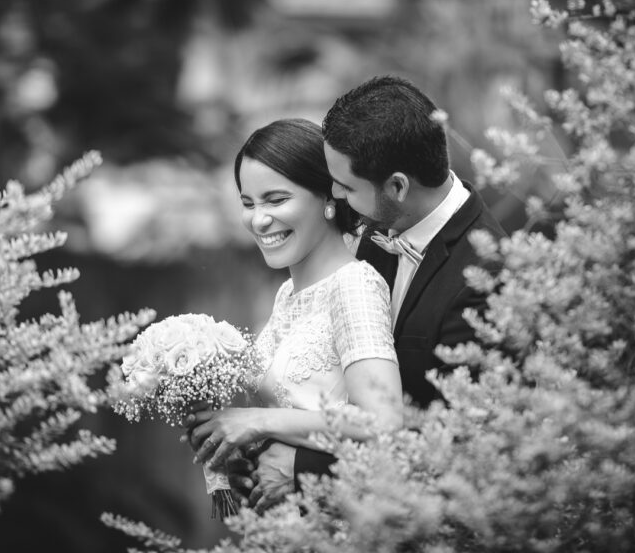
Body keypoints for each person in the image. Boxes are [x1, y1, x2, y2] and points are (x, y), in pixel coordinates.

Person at [236, 75, 507, 508]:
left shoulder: (485, 280)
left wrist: (302, 469)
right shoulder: (375, 230)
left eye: (345, 188)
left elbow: (459, 447)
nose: (336, 196)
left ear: (397, 186)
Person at [183, 118, 404, 493]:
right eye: (248, 203)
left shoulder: (353, 285)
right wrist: (242, 457)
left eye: (276, 199)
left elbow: (382, 423)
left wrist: (256, 422)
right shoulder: (287, 295)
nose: (259, 219)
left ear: (328, 198)